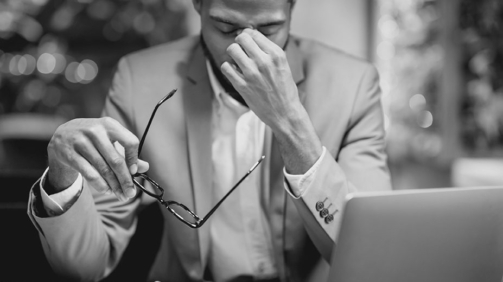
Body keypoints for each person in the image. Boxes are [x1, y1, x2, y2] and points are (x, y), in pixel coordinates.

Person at [27, 0, 391, 281]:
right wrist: (61, 174)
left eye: (270, 27)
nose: (245, 48)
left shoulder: (354, 85)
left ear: (292, 7)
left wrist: (291, 122)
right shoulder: (140, 79)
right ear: (197, 4)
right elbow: (85, 266)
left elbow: (374, 259)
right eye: (225, 26)